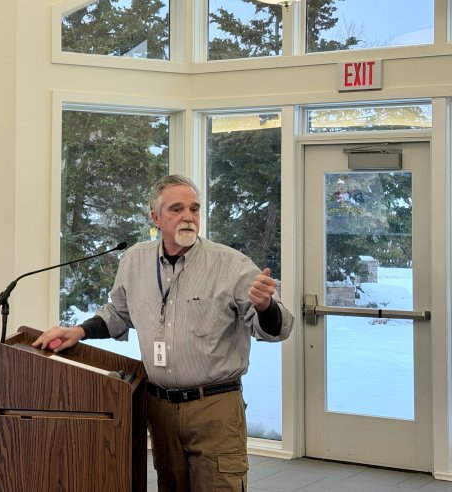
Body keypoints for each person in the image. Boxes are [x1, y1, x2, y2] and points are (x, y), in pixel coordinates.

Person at [33, 174, 294, 492]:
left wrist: (266, 305)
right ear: (155, 217)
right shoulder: (135, 260)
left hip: (214, 406)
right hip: (159, 408)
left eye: (194, 209)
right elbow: (119, 314)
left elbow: (276, 329)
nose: (188, 216)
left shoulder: (231, 265)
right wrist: (79, 330)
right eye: (177, 209)